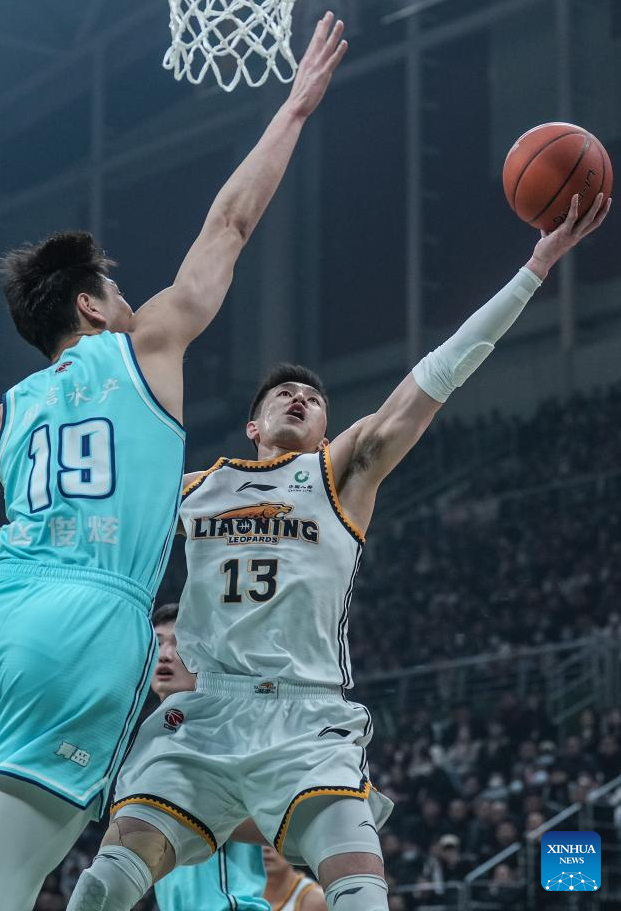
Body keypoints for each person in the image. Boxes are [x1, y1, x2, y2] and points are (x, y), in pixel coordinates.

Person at [0, 12, 349, 911]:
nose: (133, 300)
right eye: (118, 290)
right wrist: (292, 109)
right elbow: (231, 222)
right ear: (91, 307)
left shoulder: (2, 416)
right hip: (80, 628)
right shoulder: (146, 348)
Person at [67, 189, 611, 911]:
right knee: (104, 882)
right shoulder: (197, 488)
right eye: (283, 395)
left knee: (360, 896)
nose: (298, 398)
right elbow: (96, 518)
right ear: (254, 426)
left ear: (325, 428)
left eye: (312, 399)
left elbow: (439, 374)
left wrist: (534, 270)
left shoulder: (339, 474)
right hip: (204, 718)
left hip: (306, 720)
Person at [149, 603, 270, 911]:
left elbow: (276, 823)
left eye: (180, 644)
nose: (164, 654)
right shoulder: (155, 739)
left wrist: (181, 806)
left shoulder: (226, 730)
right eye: (157, 642)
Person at [262, 846, 325, 911]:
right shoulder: (252, 894)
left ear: (292, 850)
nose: (265, 848)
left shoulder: (317, 901)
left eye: (271, 842)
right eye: (258, 843)